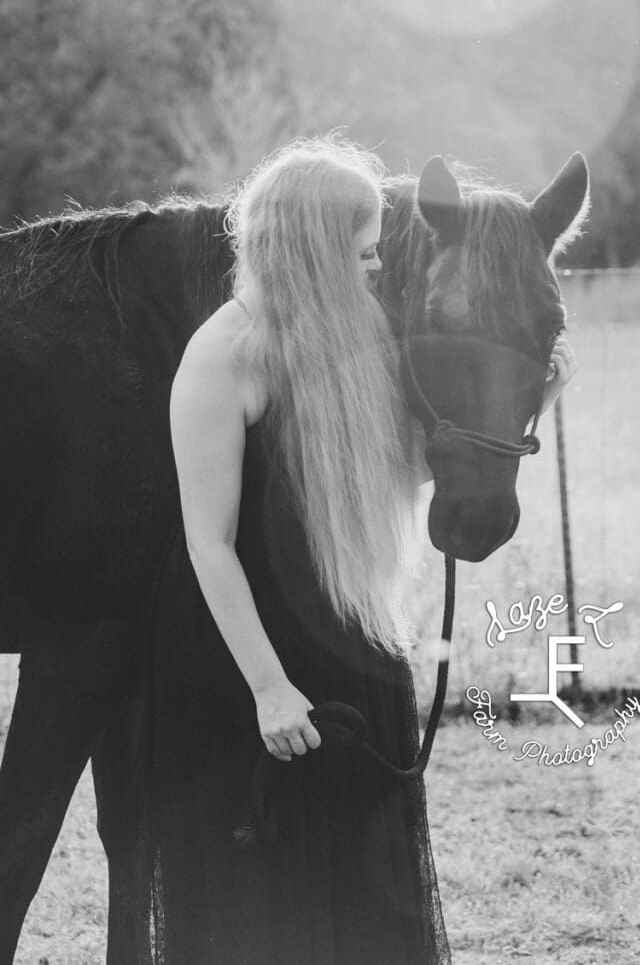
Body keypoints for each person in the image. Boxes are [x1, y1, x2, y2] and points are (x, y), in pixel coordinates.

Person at [141, 136, 576, 965]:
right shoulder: (222, 356)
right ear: (308, 249)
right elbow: (210, 543)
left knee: (365, 895)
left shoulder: (356, 344)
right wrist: (271, 691)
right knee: (261, 902)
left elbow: (395, 476)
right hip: (251, 655)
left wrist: (536, 402)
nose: (381, 269)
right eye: (367, 252)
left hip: (348, 646)